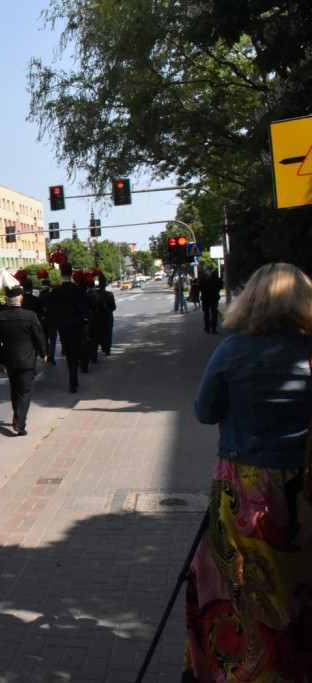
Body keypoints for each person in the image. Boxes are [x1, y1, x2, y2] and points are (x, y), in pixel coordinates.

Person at [185, 263, 312, 681]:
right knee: (296, 585)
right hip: (303, 487)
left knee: (234, 583)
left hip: (244, 487)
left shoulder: (234, 349)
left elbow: (205, 411)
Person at [0, 287, 47, 436]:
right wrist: (43, 353)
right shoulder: (29, 316)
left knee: (15, 389)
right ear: (21, 299)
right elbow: (38, 336)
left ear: (7, 300)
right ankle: (19, 422)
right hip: (27, 358)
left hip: (9, 359)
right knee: (25, 390)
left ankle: (17, 415)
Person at [46, 263, 90, 393]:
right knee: (75, 351)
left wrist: (55, 324)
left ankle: (72, 376)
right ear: (71, 274)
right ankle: (73, 378)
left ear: (61, 274)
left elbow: (51, 310)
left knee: (68, 350)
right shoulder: (77, 290)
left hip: (63, 327)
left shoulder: (56, 291)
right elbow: (84, 308)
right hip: (76, 325)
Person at [199, 266, 224, 334]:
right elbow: (221, 286)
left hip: (205, 297)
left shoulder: (203, 277)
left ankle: (207, 328)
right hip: (214, 297)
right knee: (214, 313)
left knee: (206, 313)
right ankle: (214, 328)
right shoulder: (215, 277)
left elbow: (199, 287)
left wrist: (204, 290)